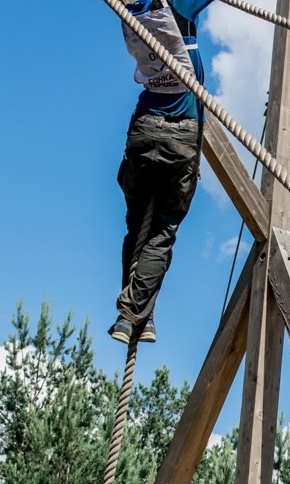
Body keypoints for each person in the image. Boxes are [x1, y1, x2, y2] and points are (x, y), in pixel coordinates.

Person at [109, 0, 218, 345]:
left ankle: (137, 319)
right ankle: (133, 314)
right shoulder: (175, 8)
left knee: (137, 228)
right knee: (161, 232)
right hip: (180, 135)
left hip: (144, 130)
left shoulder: (131, 14)